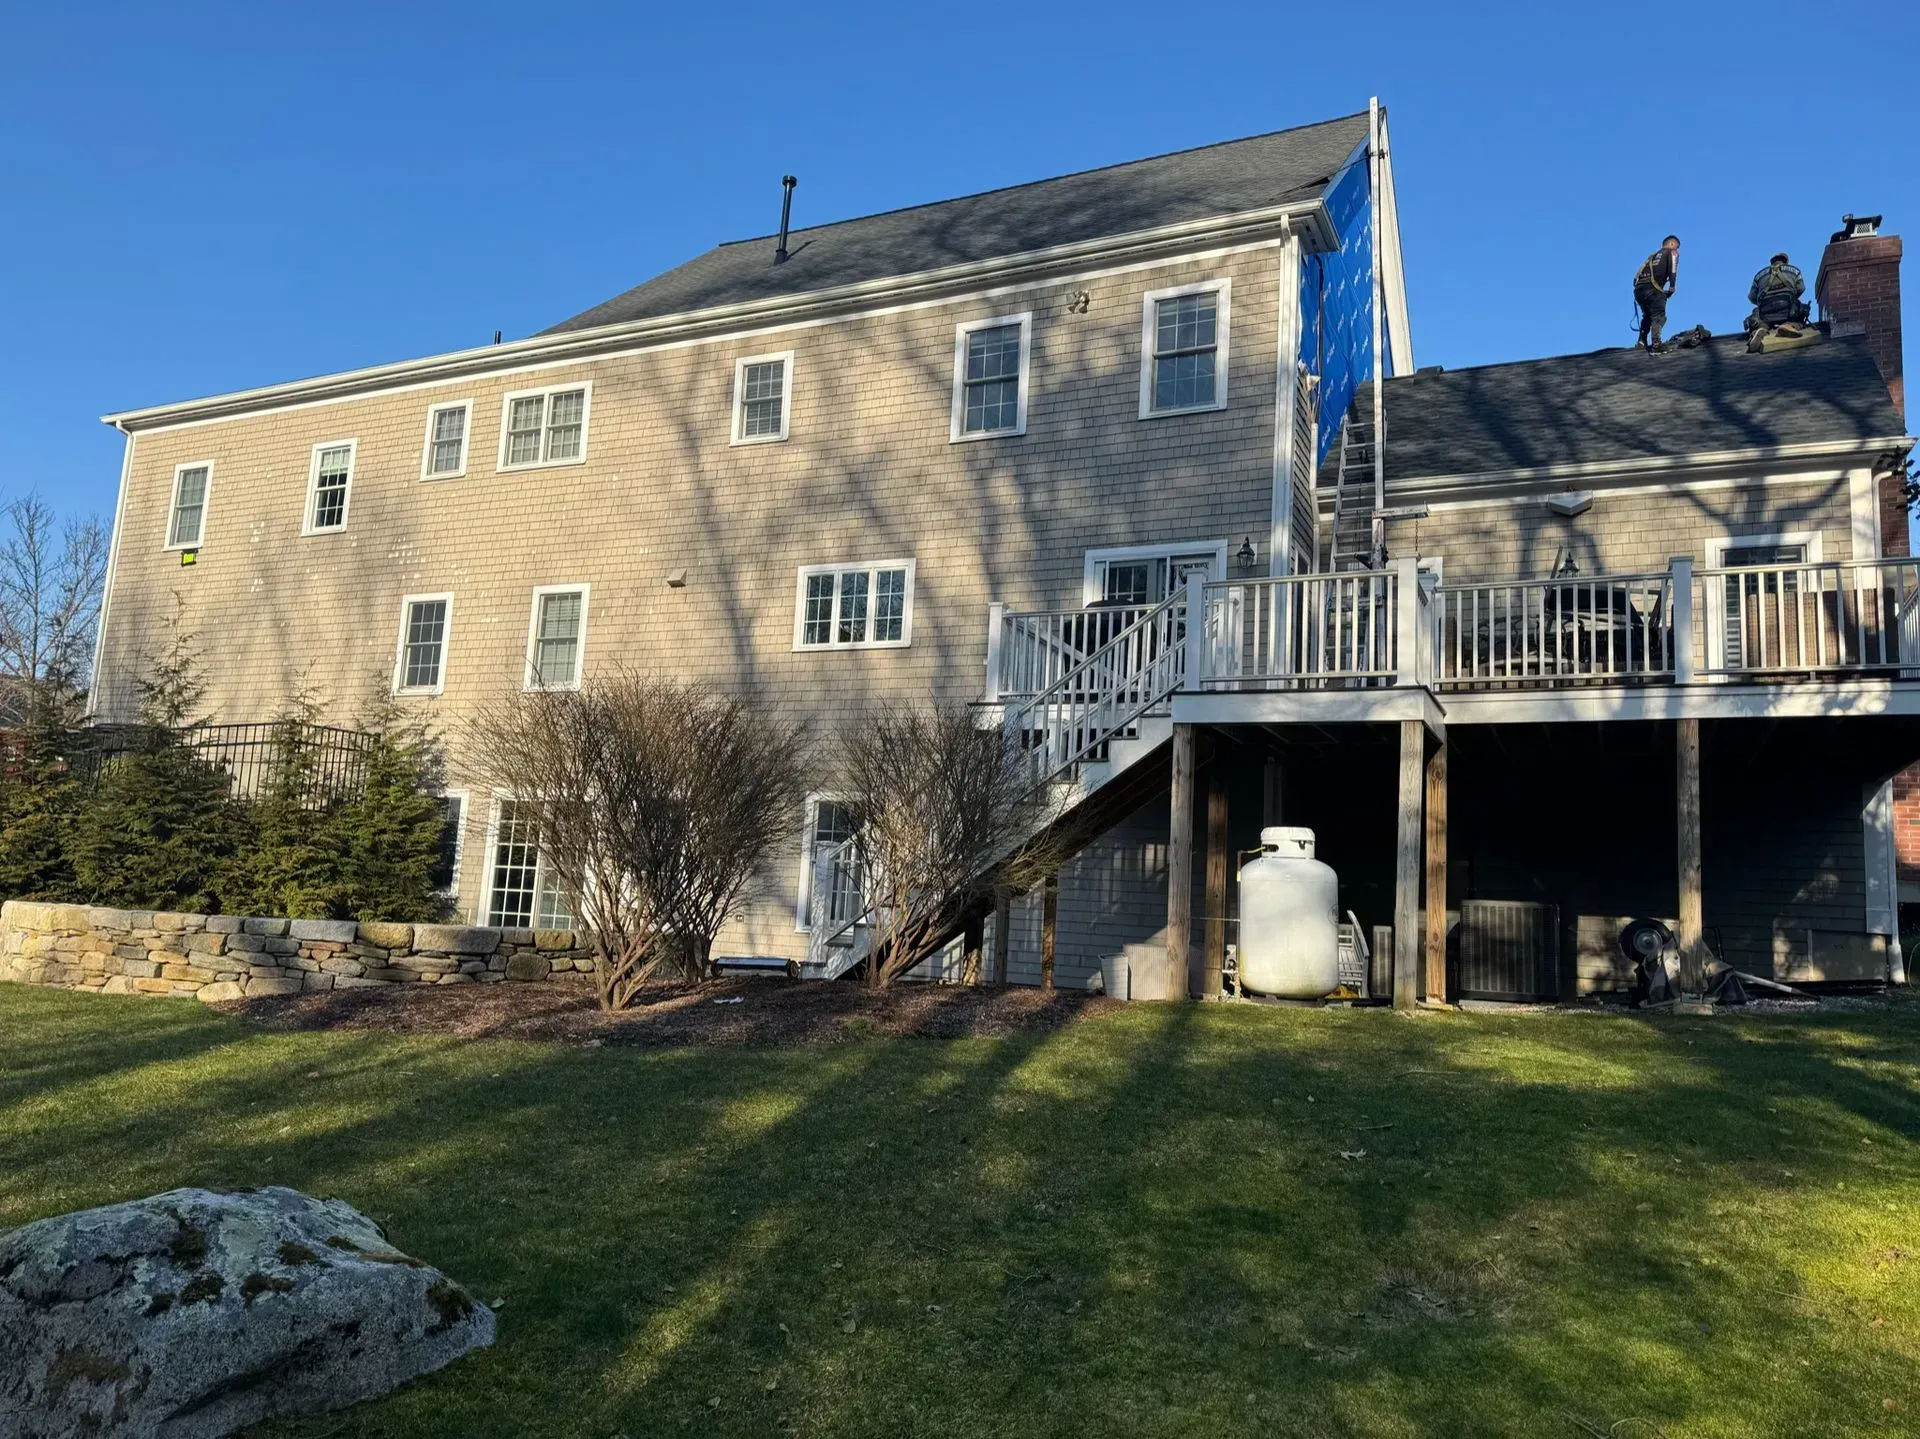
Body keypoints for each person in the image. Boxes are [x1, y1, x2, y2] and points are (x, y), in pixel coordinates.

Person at [1633, 235, 1680, 352]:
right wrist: (1672, 286)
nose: (1677, 250)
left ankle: (1641, 342)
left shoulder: (1652, 257)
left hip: (1639, 290)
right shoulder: (1671, 252)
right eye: (1677, 247)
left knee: (1648, 315)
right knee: (1659, 315)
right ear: (1672, 244)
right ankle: (1656, 344)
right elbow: (1672, 269)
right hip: (1652, 289)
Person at [1746, 251, 1809, 334]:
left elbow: (1751, 297)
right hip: (1789, 311)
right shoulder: (1795, 271)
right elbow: (1801, 288)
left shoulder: (1759, 275)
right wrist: (1791, 297)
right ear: (1785, 262)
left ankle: (1761, 330)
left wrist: (1762, 302)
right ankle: (1789, 326)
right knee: (1803, 312)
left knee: (1760, 323)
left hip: (1765, 313)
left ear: (1772, 262)